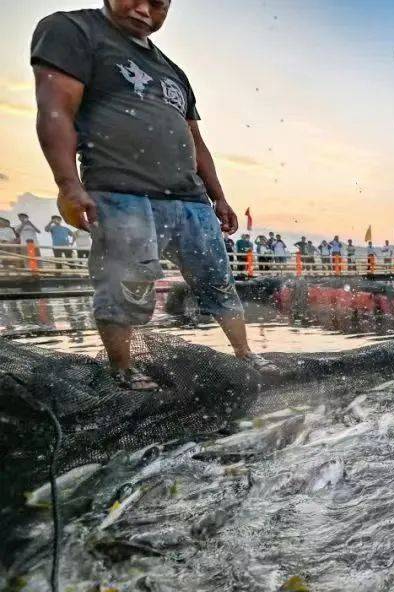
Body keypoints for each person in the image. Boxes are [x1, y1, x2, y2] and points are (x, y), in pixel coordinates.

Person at [31, 0, 274, 390]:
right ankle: (123, 370)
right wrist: (69, 184)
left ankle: (246, 353)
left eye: (158, 4)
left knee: (218, 282)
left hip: (190, 199)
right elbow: (55, 108)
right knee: (126, 284)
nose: (145, 10)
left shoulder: (172, 70)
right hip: (121, 192)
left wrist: (219, 197)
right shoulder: (74, 30)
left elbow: (195, 139)